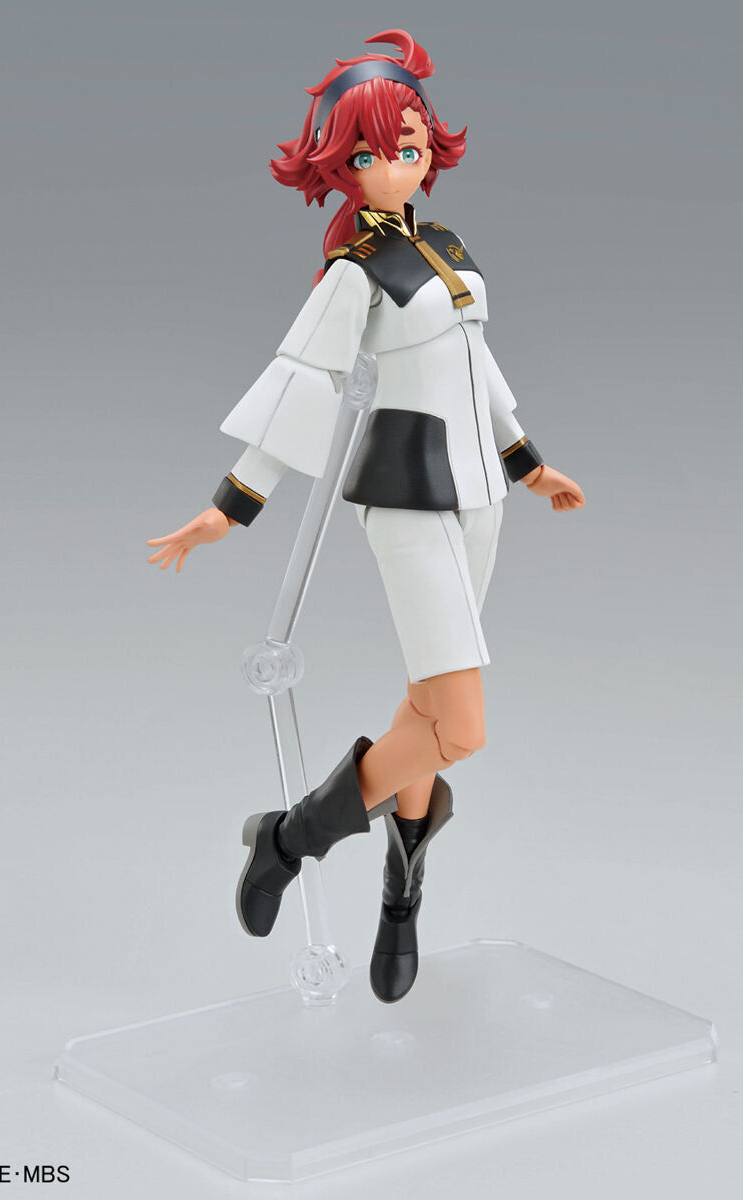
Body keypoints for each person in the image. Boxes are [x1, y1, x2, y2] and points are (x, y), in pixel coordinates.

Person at [147, 29, 584, 1003]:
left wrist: (528, 461)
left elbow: (478, 364)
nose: (397, 164)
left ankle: (401, 894)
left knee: (425, 711)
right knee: (460, 727)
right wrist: (232, 504)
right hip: (407, 499)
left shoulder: (449, 249)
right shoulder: (356, 273)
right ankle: (291, 836)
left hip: (479, 494)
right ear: (342, 167)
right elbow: (304, 378)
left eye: (410, 143)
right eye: (373, 153)